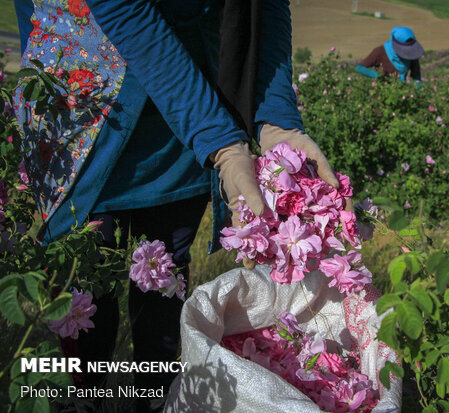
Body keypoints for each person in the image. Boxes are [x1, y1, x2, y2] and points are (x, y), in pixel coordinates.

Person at [13, 0, 338, 410]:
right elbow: (123, 11)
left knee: (164, 282)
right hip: (85, 96)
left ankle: (151, 399)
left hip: (184, 111)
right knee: (86, 290)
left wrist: (276, 116)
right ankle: (85, 397)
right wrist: (220, 142)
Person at [356, 26, 424, 84]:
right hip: (382, 94)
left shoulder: (411, 53)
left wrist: (418, 94)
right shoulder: (380, 51)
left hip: (401, 92)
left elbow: (416, 75)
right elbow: (360, 68)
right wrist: (379, 76)